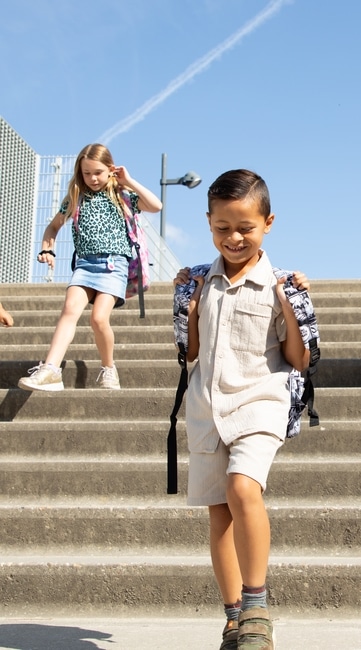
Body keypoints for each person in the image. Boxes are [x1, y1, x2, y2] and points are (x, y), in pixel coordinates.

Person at [174, 169, 309, 650]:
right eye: (222, 227)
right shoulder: (195, 283)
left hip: (260, 400)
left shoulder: (282, 284)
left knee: (242, 486)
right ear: (208, 223)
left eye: (245, 228)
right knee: (219, 516)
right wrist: (186, 306)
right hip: (207, 407)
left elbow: (299, 359)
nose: (233, 237)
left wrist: (293, 304)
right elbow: (188, 353)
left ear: (268, 223)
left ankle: (256, 606)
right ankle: (234, 619)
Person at [17, 143, 161, 392]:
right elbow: (53, 227)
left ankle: (108, 368)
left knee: (98, 319)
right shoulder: (76, 197)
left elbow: (156, 206)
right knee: (69, 310)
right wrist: (47, 249)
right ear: (79, 173)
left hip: (114, 265)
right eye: (86, 173)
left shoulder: (122, 195)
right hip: (84, 265)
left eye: (98, 172)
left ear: (111, 170)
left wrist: (129, 180)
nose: (93, 178)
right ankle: (51, 369)